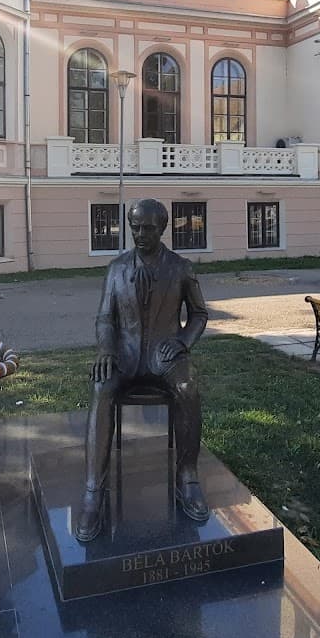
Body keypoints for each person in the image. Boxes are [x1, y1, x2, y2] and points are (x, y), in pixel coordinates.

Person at [74, 198, 210, 543]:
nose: (139, 234)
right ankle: (93, 491)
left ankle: (188, 478)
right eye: (134, 227)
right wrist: (106, 350)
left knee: (188, 388)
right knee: (101, 387)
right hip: (125, 355)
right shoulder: (116, 269)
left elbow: (199, 314)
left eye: (147, 228)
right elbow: (105, 318)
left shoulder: (181, 268)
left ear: (162, 228)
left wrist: (183, 343)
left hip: (165, 355)